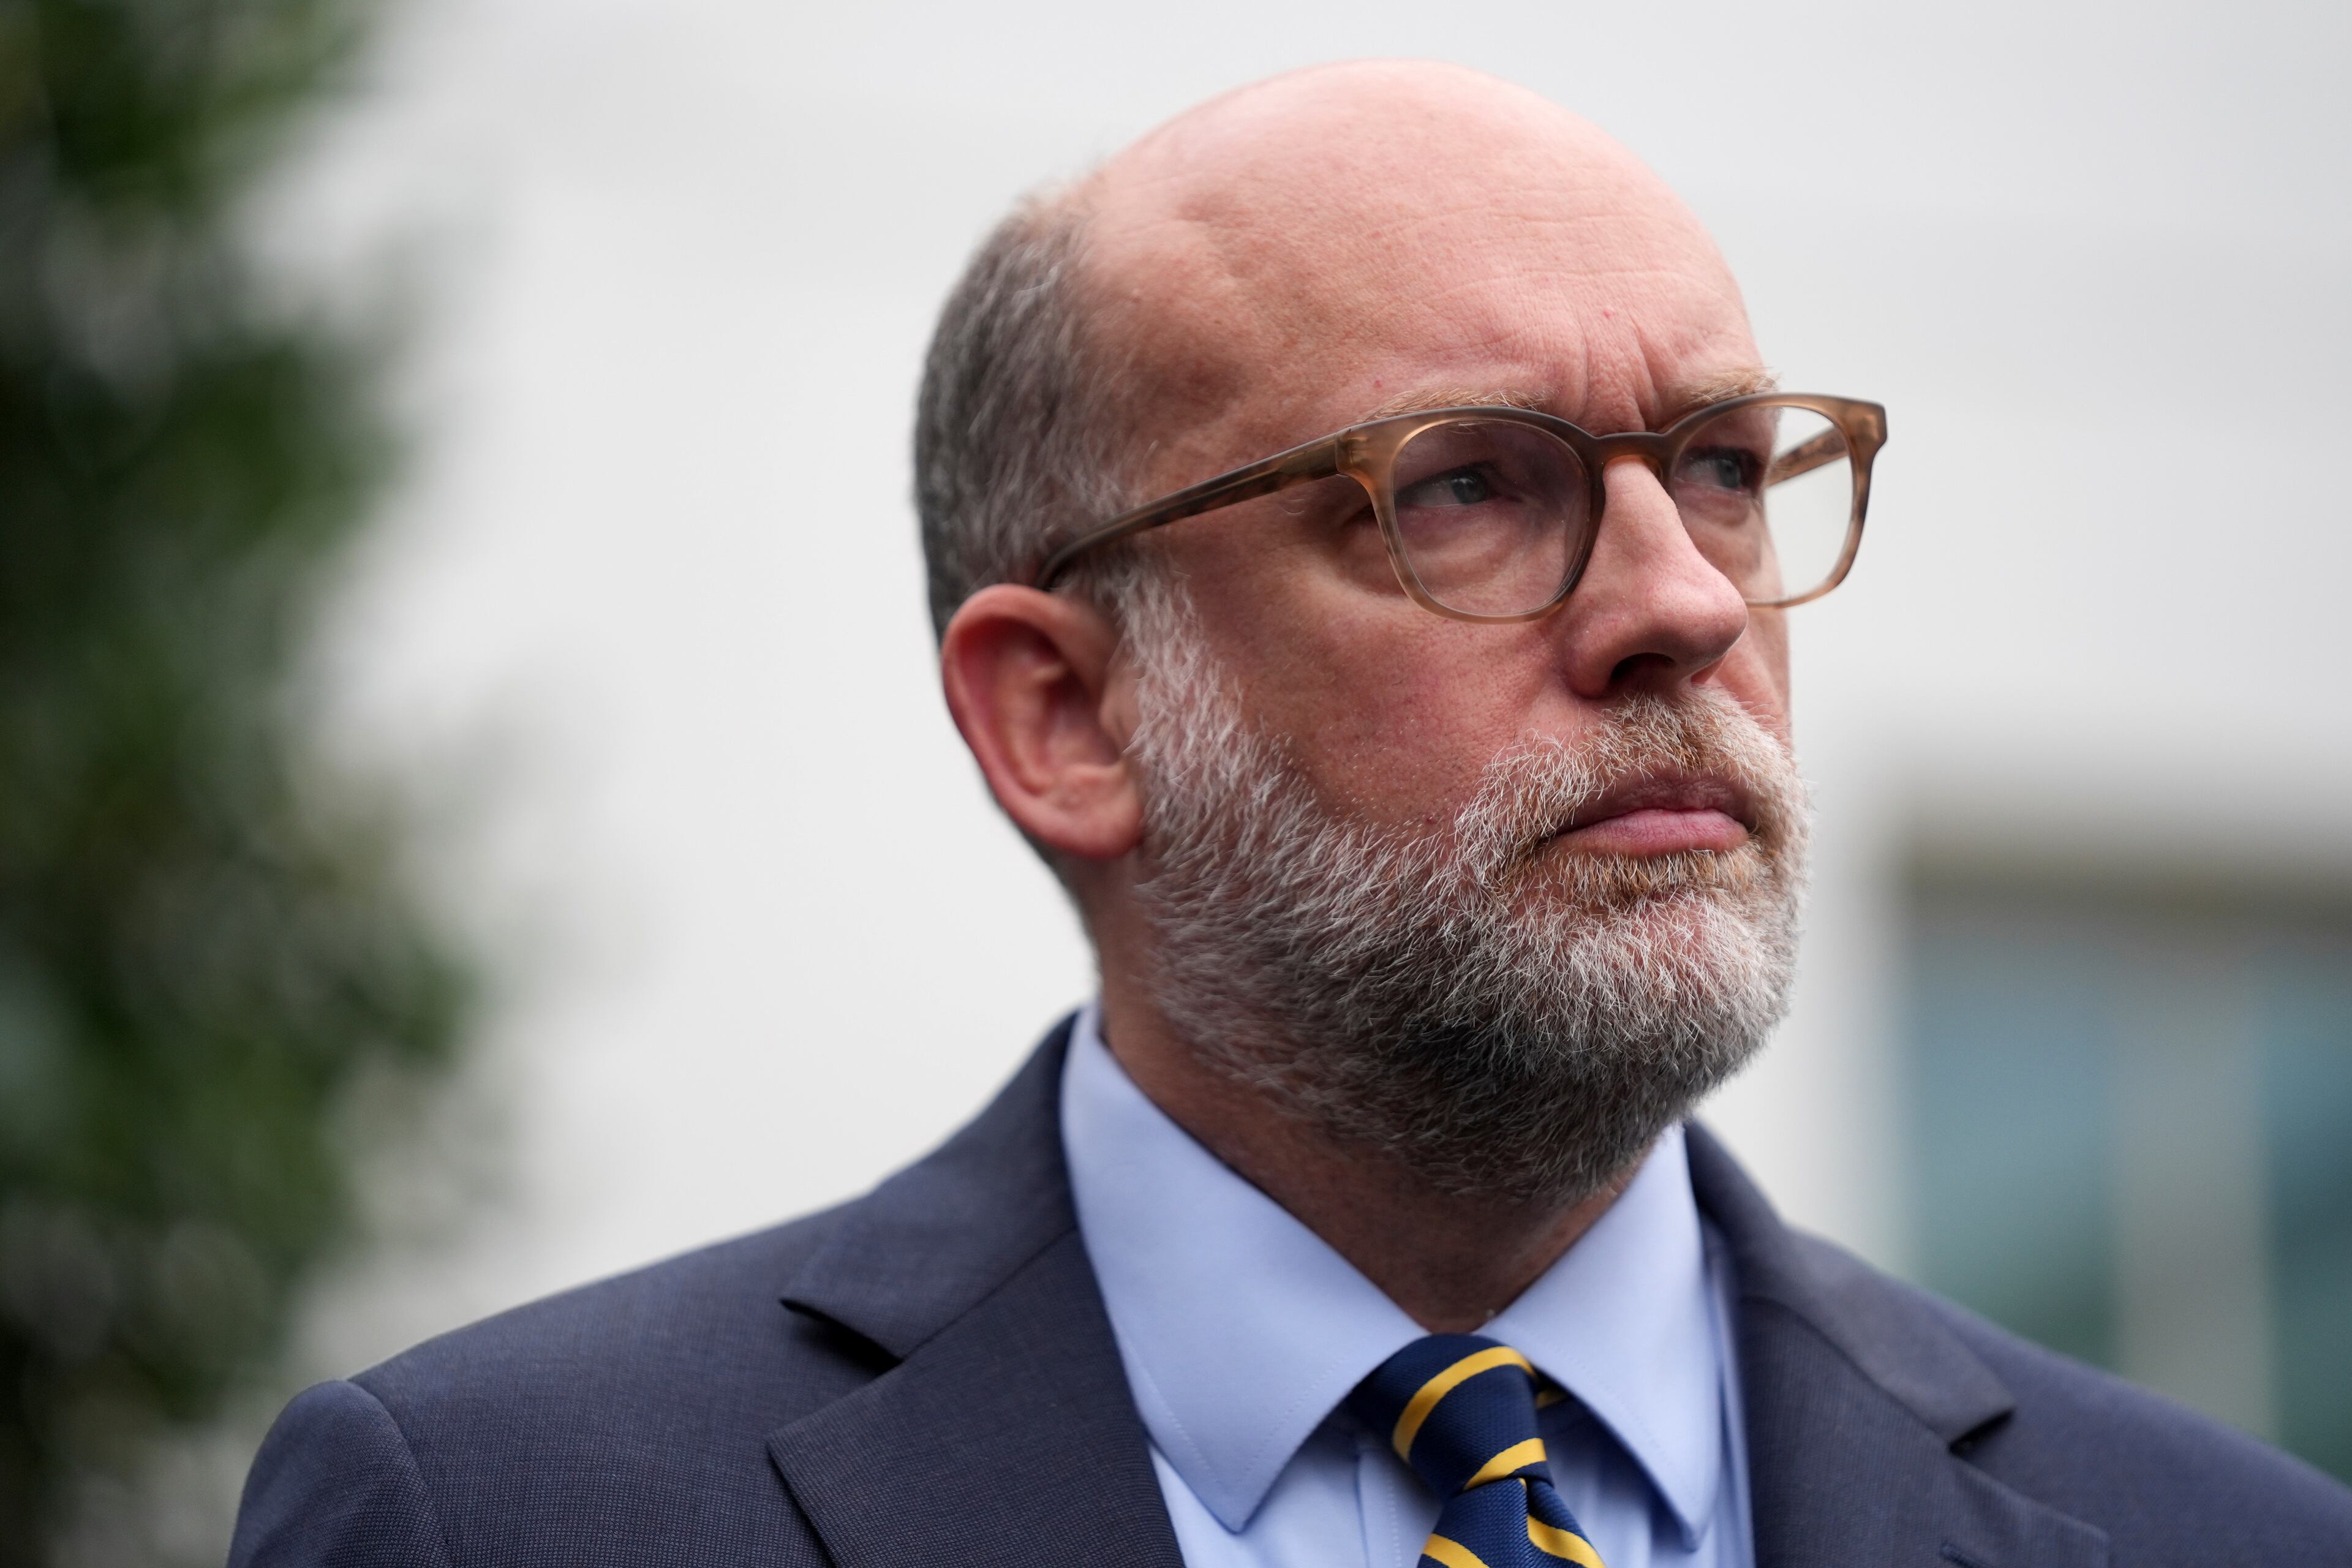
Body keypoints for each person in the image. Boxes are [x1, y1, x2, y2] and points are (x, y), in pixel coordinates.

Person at [228, 60, 2352, 1568]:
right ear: (1067, 713)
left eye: (1720, 464)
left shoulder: (2227, 1539)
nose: (1688, 606)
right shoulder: (504, 1517)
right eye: (1463, 486)